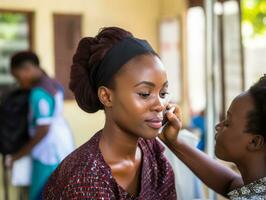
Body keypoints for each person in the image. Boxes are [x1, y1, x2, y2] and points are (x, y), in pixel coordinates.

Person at [43, 27, 177, 199]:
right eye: (145, 94)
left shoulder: (153, 155)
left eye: (163, 94)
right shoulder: (83, 180)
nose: (160, 105)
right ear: (106, 96)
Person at [160, 75, 266, 199]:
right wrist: (173, 141)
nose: (218, 126)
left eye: (227, 123)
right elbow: (229, 183)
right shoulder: (256, 187)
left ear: (254, 142)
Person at [6, 51, 74, 200]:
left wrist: (18, 155)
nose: (19, 82)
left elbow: (43, 130)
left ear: (27, 69)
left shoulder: (39, 93)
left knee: (41, 194)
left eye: (18, 77)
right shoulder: (52, 82)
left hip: (48, 153)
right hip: (62, 145)